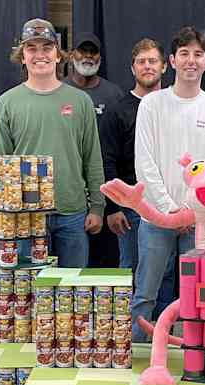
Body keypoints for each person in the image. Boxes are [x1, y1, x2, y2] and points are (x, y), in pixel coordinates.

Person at [131, 26, 205, 342]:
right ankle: (134, 358)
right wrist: (170, 209)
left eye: (198, 54)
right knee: (146, 293)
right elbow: (144, 163)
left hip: (200, 222)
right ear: (171, 61)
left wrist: (191, 212)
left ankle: (195, 357)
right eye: (184, 54)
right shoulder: (152, 105)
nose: (191, 60)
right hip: (155, 219)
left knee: (200, 296)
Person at [0, 18, 104, 268]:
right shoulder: (6, 103)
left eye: (47, 48)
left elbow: (92, 158)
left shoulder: (80, 101)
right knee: (29, 297)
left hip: (72, 213)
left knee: (72, 295)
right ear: (22, 56)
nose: (39, 55)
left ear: (58, 55)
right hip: (25, 217)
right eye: (32, 48)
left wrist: (97, 206)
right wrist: (5, 214)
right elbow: (0, 166)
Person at [99, 38, 167, 269]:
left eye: (153, 61)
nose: (147, 66)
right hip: (130, 207)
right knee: (131, 269)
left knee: (165, 272)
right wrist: (113, 207)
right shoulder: (117, 111)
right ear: (132, 68)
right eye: (141, 61)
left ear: (164, 66)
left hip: (166, 203)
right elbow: (107, 162)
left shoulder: (173, 107)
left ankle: (164, 308)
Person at [64, 32, 125, 267]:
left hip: (106, 191)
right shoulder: (61, 91)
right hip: (70, 194)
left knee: (104, 263)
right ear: (71, 55)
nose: (88, 56)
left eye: (93, 52)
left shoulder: (114, 94)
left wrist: (111, 204)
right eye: (82, 51)